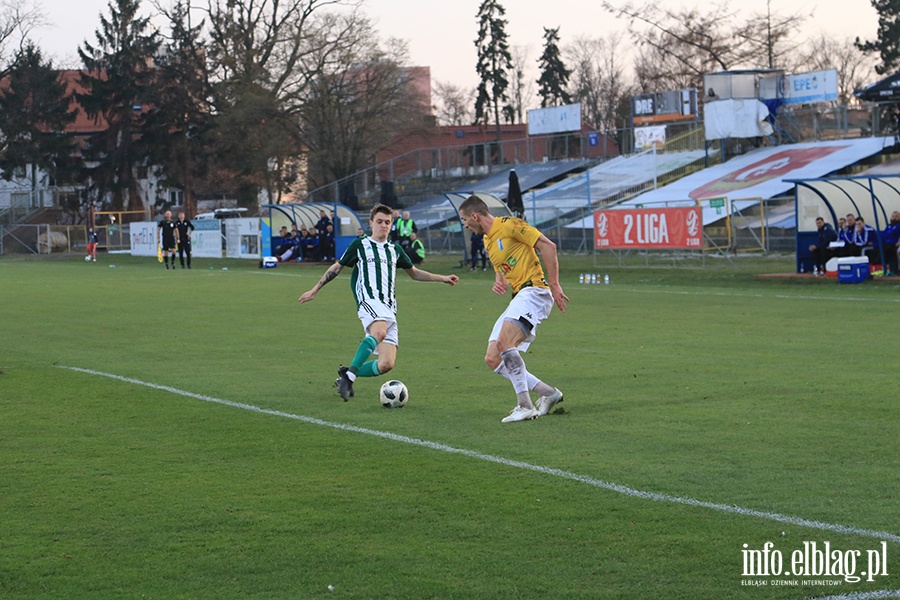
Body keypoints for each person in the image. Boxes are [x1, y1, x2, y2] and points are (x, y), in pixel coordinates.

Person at [298, 203, 458, 400]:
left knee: (386, 364)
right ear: (371, 223)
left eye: (387, 222)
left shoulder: (395, 249)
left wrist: (443, 278)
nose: (384, 225)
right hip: (368, 299)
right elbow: (337, 267)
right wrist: (315, 289)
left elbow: (415, 273)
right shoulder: (360, 245)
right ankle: (349, 379)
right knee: (379, 332)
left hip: (389, 306)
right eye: (380, 222)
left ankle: (348, 373)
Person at [458, 195, 569, 423]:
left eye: (465, 220)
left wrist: (555, 284)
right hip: (519, 295)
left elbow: (548, 246)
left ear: (475, 216)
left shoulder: (510, 225)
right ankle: (549, 394)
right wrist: (500, 279)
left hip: (534, 292)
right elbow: (502, 265)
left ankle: (524, 405)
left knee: (505, 344)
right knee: (492, 357)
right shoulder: (489, 240)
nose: (465, 225)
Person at [881, 211, 900, 275]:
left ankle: (895, 270)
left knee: (892, 250)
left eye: (896, 216)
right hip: (888, 244)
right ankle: (887, 269)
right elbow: (884, 235)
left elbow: (891, 233)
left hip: (895, 244)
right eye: (893, 216)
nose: (894, 218)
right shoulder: (889, 226)